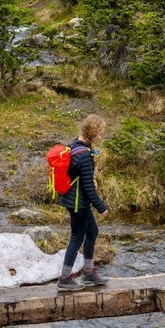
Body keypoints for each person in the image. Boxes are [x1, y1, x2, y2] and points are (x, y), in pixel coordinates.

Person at [57, 115, 110, 291]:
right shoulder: (85, 155)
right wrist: (102, 207)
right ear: (92, 133)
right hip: (78, 203)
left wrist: (88, 179)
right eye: (99, 134)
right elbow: (88, 187)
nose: (100, 137)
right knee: (76, 238)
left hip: (74, 199)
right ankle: (64, 278)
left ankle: (88, 272)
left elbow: (81, 177)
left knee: (92, 231)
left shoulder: (74, 145)